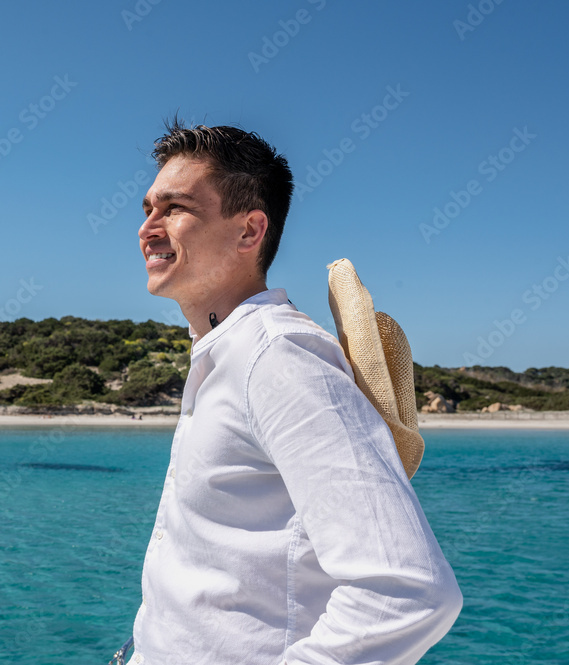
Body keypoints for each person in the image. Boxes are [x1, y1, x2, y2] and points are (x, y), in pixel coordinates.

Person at [127, 119, 462, 664]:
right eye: (147, 209)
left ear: (249, 232)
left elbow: (408, 591)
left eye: (176, 208)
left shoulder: (277, 358)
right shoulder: (224, 354)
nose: (149, 227)